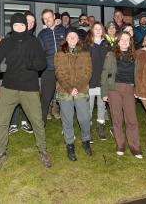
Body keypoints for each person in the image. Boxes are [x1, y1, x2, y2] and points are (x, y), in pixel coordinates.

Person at [0, 13, 51, 169]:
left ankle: (43, 150)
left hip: (29, 88)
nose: (19, 28)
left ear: (26, 26)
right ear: (11, 27)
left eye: (22, 25)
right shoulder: (5, 43)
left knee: (37, 121)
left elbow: (42, 63)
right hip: (8, 88)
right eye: (16, 25)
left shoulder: (33, 42)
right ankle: (1, 152)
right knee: (3, 121)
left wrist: (28, 63)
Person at [101, 32, 143, 159]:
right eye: (122, 40)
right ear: (118, 41)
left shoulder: (134, 56)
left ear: (130, 42)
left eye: (127, 40)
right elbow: (105, 73)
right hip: (114, 89)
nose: (124, 42)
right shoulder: (111, 55)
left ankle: (135, 146)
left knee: (132, 119)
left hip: (129, 88)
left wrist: (137, 89)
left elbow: (138, 74)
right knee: (117, 118)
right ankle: (120, 144)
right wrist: (104, 92)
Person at [55, 28, 93, 161]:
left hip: (81, 89)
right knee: (67, 119)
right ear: (66, 38)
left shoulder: (85, 52)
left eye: (74, 36)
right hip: (65, 90)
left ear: (78, 39)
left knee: (84, 118)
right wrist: (69, 88)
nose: (72, 38)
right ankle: (70, 144)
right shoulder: (60, 52)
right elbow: (59, 73)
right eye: (69, 36)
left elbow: (88, 72)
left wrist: (78, 87)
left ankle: (86, 140)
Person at [37, 9, 66, 124]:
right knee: (45, 98)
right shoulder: (42, 34)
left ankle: (67, 124)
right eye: (45, 18)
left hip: (64, 69)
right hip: (48, 69)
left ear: (54, 16)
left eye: (49, 17)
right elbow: (40, 53)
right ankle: (41, 124)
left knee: (65, 98)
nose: (47, 20)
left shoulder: (63, 30)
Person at [85, 22, 111, 140]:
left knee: (101, 105)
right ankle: (88, 127)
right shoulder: (87, 45)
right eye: (96, 29)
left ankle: (100, 126)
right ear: (92, 30)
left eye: (100, 29)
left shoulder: (106, 45)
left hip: (102, 81)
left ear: (103, 31)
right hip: (90, 81)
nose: (98, 30)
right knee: (88, 107)